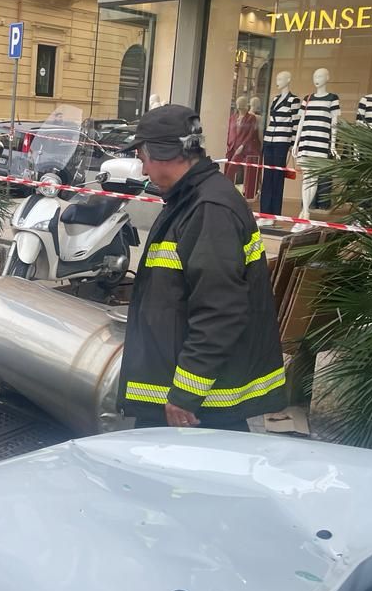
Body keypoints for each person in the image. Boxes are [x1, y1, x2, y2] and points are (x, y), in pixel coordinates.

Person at [119, 104, 286, 431]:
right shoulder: (195, 199)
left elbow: (220, 311)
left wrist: (185, 394)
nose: (143, 171)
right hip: (194, 404)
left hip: (196, 411)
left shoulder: (208, 209)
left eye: (143, 159)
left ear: (165, 154)